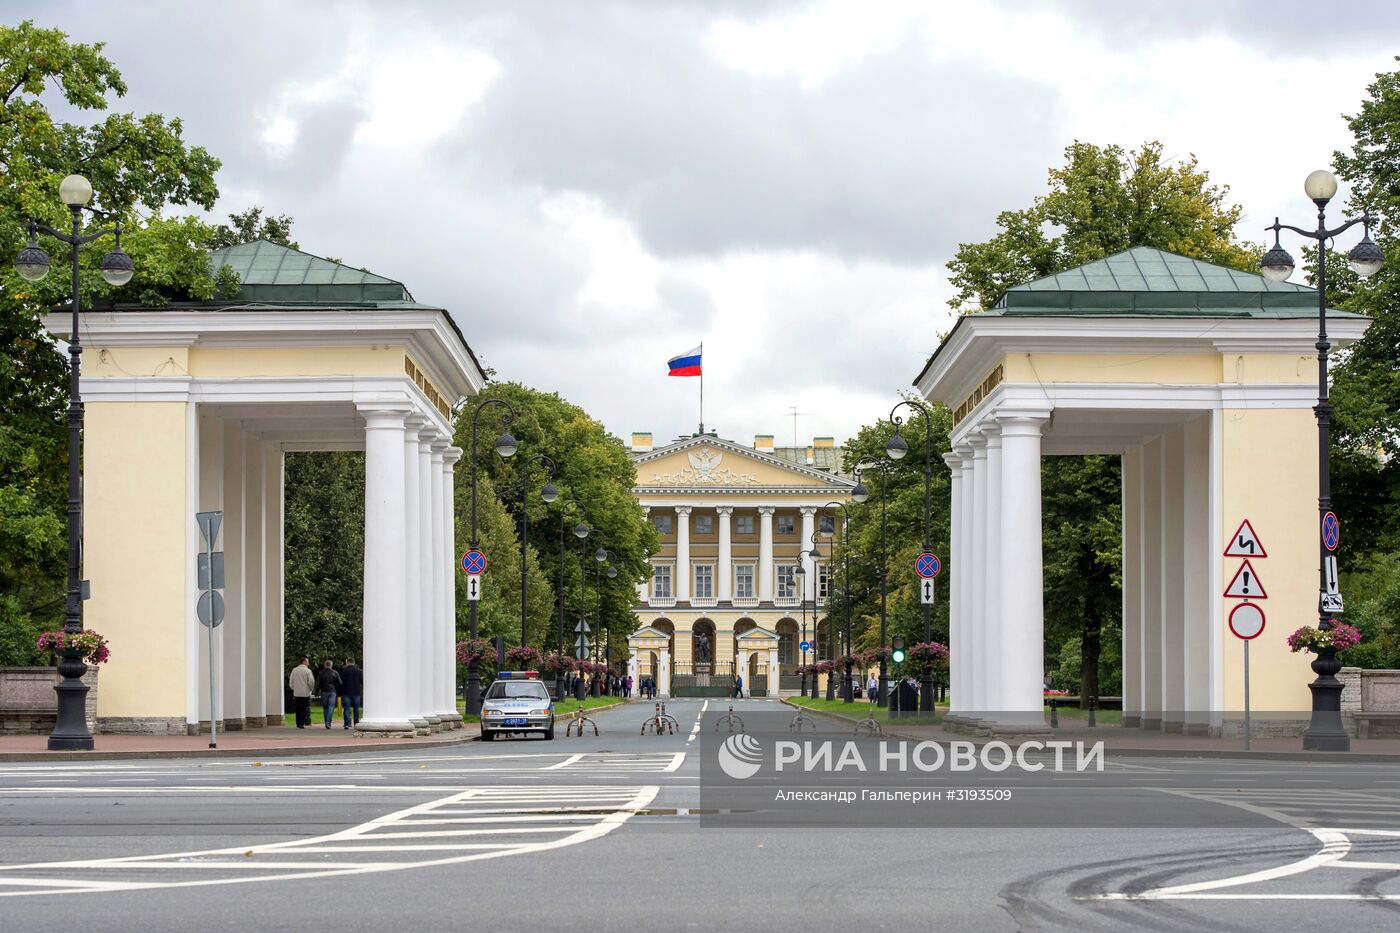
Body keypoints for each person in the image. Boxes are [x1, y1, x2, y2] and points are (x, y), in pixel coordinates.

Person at [289, 658, 314, 728]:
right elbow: (311, 682)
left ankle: (298, 723)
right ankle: (301, 723)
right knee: (304, 708)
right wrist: (310, 690)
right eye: (307, 662)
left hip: (297, 693)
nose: (308, 663)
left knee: (297, 708)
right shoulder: (308, 671)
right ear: (304, 662)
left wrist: (295, 689)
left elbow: (291, 682)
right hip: (305, 693)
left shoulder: (294, 670)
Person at [316, 660, 341, 730]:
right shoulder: (335, 673)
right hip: (332, 691)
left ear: (325, 665)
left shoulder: (321, 673)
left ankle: (326, 722)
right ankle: (328, 722)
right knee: (331, 707)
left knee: (325, 708)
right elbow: (340, 683)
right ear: (331, 665)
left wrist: (316, 692)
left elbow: (318, 683)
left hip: (324, 692)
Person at [340, 657, 363, 730]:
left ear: (347, 662)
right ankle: (356, 723)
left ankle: (347, 723)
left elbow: (341, 682)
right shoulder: (359, 671)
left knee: (347, 708)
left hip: (346, 692)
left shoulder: (344, 671)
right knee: (356, 708)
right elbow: (362, 681)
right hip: (356, 692)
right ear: (354, 662)